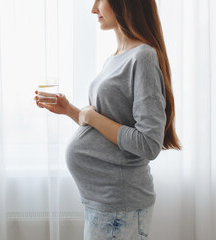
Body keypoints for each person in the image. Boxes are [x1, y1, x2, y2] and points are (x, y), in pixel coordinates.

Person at [34, 0, 181, 239]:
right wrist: (71, 110)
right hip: (105, 204)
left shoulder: (143, 57)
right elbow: (106, 126)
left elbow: (148, 143)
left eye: (99, 0)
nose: (93, 9)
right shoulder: (116, 58)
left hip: (119, 205)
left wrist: (90, 115)